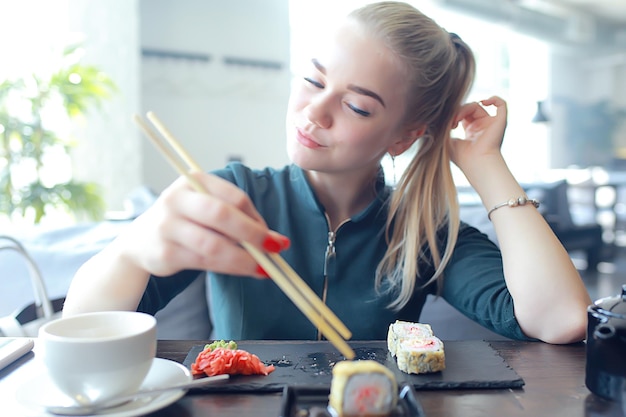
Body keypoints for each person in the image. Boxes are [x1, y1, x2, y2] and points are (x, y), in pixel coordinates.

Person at [63, 1, 591, 344]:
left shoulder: (419, 231)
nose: (314, 113)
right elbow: (81, 324)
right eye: (313, 81)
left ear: (404, 136)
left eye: (358, 107)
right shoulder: (233, 196)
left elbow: (561, 319)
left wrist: (485, 164)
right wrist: (134, 249)